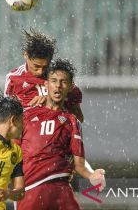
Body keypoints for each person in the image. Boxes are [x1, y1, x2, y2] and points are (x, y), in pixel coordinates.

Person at [16, 58, 106, 210]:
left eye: (63, 82)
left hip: (61, 190)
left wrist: (91, 175)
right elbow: (12, 154)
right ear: (46, 84)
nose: (58, 86)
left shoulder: (72, 121)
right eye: (54, 81)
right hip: (31, 190)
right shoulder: (26, 115)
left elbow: (79, 164)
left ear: (70, 86)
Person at [4, 28, 84, 123]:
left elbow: (79, 119)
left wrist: (52, 101)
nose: (40, 72)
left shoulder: (61, 78)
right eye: (36, 66)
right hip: (28, 136)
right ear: (26, 55)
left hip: (58, 136)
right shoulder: (14, 78)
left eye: (45, 66)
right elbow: (7, 119)